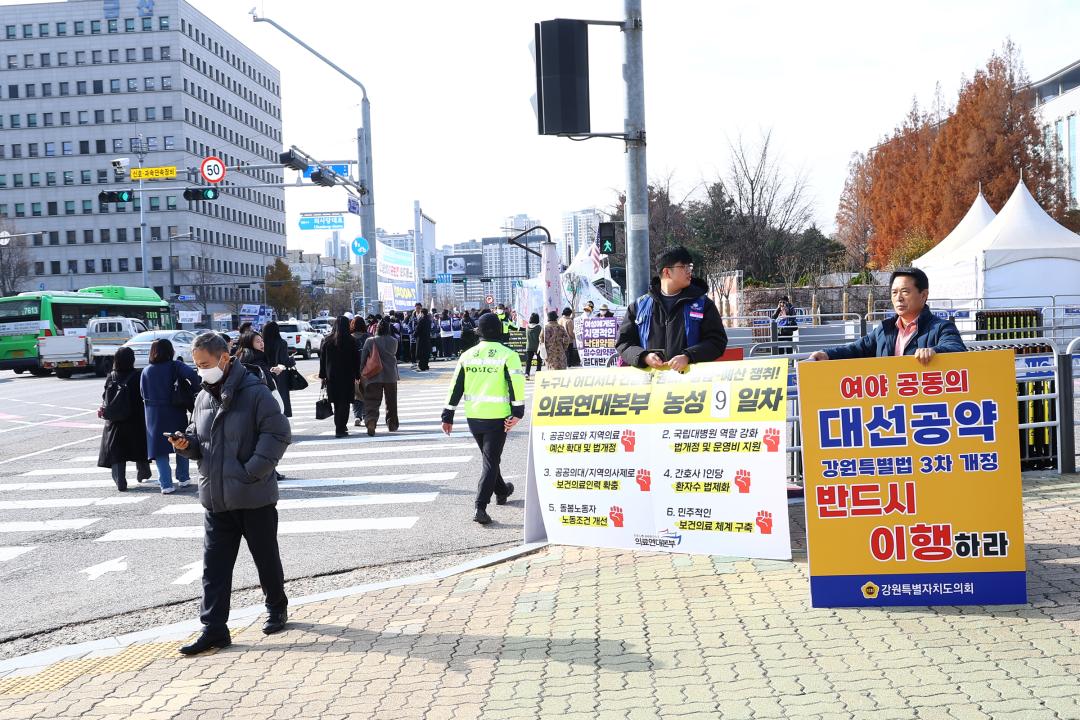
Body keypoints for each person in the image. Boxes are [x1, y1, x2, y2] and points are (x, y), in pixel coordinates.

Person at [170, 332, 291, 655]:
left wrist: (252, 471)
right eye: (196, 366)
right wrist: (187, 445)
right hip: (217, 498)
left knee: (265, 559)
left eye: (205, 364)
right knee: (214, 568)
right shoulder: (203, 397)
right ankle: (214, 629)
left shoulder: (255, 392)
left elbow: (278, 432)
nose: (200, 371)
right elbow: (199, 440)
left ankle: (276, 606)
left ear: (225, 358)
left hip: (253, 496)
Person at [441, 313, 525, 525]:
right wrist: (518, 412)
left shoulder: (467, 355)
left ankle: (502, 490)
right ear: (500, 331)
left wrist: (448, 414)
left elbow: (456, 386)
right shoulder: (509, 355)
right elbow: (517, 385)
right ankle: (480, 506)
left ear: (478, 332)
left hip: (474, 416)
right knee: (490, 460)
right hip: (498, 417)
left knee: (490, 458)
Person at [807, 267, 967, 364]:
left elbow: (957, 349)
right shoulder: (885, 329)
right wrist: (827, 354)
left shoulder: (941, 327)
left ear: (924, 295)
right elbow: (856, 349)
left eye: (905, 291)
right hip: (891, 408)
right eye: (894, 292)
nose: (899, 297)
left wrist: (934, 351)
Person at [616, 245, 728, 371]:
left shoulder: (703, 304)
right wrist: (644, 357)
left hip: (690, 384)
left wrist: (688, 356)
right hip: (651, 384)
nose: (689, 271)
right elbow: (623, 343)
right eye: (683, 266)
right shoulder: (638, 306)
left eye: (689, 266)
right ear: (667, 272)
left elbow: (717, 342)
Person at [140, 338, 201, 494]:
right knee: (180, 441)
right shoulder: (175, 366)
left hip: (153, 412)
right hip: (174, 409)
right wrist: (194, 390)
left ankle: (166, 484)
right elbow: (193, 376)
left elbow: (142, 392)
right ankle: (183, 478)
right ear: (170, 351)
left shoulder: (146, 371)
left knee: (159, 449)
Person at [96, 346, 151, 491]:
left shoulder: (111, 377)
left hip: (115, 421)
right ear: (132, 360)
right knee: (139, 447)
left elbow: (105, 397)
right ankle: (143, 471)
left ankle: (120, 479)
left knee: (117, 452)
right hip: (135, 418)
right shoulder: (138, 375)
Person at [318, 315, 361, 438]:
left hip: (332, 377)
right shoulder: (352, 341)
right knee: (345, 403)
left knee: (337, 403)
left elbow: (322, 360)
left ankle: (339, 426)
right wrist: (357, 375)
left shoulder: (327, 340)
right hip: (347, 376)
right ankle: (341, 427)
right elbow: (356, 360)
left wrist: (322, 375)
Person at [359, 318, 400, 436]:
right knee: (391, 401)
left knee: (372, 401)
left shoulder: (370, 341)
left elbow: (363, 359)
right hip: (390, 375)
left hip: (373, 375)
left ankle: (371, 422)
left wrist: (361, 372)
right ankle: (392, 424)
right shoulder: (394, 341)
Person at [261, 322, 295, 418]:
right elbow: (285, 361)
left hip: (266, 373)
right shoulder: (281, 343)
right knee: (282, 398)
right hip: (280, 374)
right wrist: (292, 359)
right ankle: (281, 419)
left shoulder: (262, 343)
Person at [349, 316, 370, 428]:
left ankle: (357, 416)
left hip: (352, 371)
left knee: (356, 394)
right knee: (366, 393)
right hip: (367, 370)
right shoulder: (368, 337)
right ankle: (366, 415)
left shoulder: (349, 338)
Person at [525, 312, 543, 379]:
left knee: (528, 361)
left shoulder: (527, 326)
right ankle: (538, 373)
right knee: (539, 360)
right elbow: (541, 337)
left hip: (529, 346)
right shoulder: (538, 327)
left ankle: (527, 373)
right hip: (537, 346)